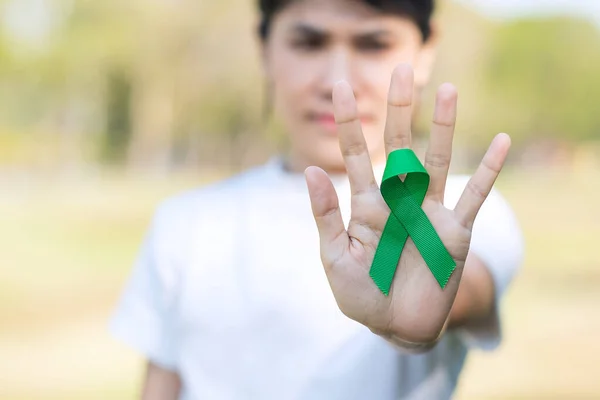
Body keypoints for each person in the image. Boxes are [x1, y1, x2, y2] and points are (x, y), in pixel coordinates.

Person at [110, 0, 524, 399]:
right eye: (309, 43)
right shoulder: (186, 222)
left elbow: (462, 289)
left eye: (373, 44)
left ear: (426, 51)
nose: (335, 82)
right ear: (264, 49)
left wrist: (409, 306)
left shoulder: (461, 214)